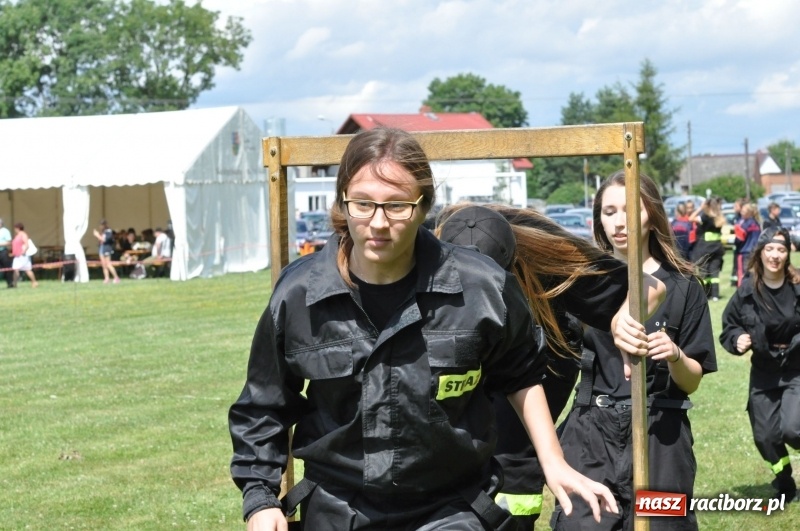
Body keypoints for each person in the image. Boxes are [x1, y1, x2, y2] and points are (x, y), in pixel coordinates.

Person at [228, 127, 618, 531]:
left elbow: (522, 372)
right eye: (363, 204)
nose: (378, 223)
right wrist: (260, 499)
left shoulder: (481, 285)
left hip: (450, 508)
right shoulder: (298, 295)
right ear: (343, 202)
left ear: (423, 206)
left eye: (397, 206)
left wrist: (553, 463)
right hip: (338, 507)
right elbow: (263, 405)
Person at [436, 204, 665, 529]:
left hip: (521, 434)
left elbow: (649, 286)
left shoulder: (545, 262)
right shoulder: (421, 261)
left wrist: (622, 319)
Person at [551, 170, 717, 530]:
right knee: (581, 525)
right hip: (591, 433)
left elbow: (692, 381)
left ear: (652, 214)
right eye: (608, 212)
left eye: (629, 209)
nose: (618, 222)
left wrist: (675, 354)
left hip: (661, 433)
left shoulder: (684, 285)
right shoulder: (581, 280)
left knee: (663, 525)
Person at [719, 226, 800, 502]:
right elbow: (729, 326)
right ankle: (784, 480)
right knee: (765, 436)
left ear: (788, 253)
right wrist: (737, 338)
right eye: (770, 249)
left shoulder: (797, 286)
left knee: (793, 429)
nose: (775, 255)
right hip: (764, 372)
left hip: (795, 368)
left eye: (781, 249)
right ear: (760, 252)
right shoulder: (746, 291)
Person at [689, 196, 726, 301]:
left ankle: (705, 294)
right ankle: (715, 295)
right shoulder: (719, 217)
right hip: (717, 249)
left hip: (704, 249)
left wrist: (700, 208)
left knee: (703, 272)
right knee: (714, 273)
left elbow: (690, 218)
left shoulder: (705, 217)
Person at [733, 202, 761, 287]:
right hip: (755, 251)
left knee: (742, 274)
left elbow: (739, 239)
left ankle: (742, 293)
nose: (741, 212)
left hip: (744, 252)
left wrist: (735, 243)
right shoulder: (757, 223)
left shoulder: (744, 224)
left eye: (743, 210)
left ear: (748, 212)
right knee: (754, 273)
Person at [10, 222, 38, 288]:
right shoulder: (17, 235)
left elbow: (27, 244)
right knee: (15, 269)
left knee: (27, 269)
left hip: (23, 255)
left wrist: (23, 251)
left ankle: (34, 282)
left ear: (18, 228)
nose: (15, 230)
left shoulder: (23, 235)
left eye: (15, 228)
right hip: (17, 255)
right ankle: (15, 284)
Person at [92, 220, 120, 284]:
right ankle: (106, 278)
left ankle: (116, 277)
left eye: (102, 225)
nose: (100, 226)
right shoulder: (103, 232)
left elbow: (105, 239)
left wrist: (97, 235)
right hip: (102, 248)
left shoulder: (108, 231)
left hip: (107, 249)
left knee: (108, 264)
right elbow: (101, 239)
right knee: (104, 265)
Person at [730, 198, 744, 286]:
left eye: (736, 206)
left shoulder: (743, 219)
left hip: (742, 246)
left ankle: (739, 280)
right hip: (737, 244)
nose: (734, 208)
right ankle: (734, 280)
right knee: (735, 263)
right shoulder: (736, 217)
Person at [0, 217, 13, 288]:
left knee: (7, 268)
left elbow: (9, 242)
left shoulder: (5, 231)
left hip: (3, 252)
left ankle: (10, 283)